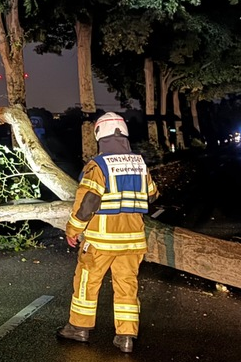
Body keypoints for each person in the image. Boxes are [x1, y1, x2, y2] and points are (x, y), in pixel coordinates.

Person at [57, 112, 159, 354]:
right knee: (127, 286)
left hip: (100, 242)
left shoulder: (98, 166)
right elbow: (152, 194)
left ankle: (78, 328)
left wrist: (72, 230)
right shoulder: (139, 164)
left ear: (99, 135)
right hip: (133, 241)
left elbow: (87, 204)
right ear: (124, 133)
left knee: (86, 283)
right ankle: (125, 337)